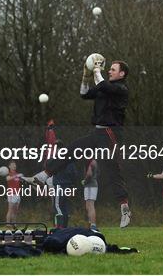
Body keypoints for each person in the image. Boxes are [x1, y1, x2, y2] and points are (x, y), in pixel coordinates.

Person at [26, 56, 132, 228]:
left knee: (111, 169)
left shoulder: (121, 88)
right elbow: (84, 93)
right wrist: (85, 75)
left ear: (122, 73)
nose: (109, 71)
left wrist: (96, 70)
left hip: (111, 132)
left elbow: (104, 85)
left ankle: (125, 208)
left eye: (113, 69)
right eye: (109, 69)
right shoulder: (105, 87)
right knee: (72, 149)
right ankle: (43, 175)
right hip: (98, 131)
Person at [83, 160, 99, 230]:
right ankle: (90, 224)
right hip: (90, 186)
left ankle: (93, 225)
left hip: (90, 185)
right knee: (87, 206)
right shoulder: (93, 161)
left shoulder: (91, 161)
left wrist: (85, 181)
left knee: (90, 205)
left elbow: (89, 174)